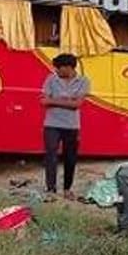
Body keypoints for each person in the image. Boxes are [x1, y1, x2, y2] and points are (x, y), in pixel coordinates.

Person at [41, 54, 89, 197]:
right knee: (50, 156)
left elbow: (77, 105)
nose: (56, 71)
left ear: (69, 68)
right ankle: (51, 189)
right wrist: (68, 101)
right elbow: (43, 101)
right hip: (51, 124)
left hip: (72, 126)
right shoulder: (51, 79)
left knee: (70, 158)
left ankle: (67, 189)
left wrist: (53, 101)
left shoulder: (83, 81)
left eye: (59, 68)